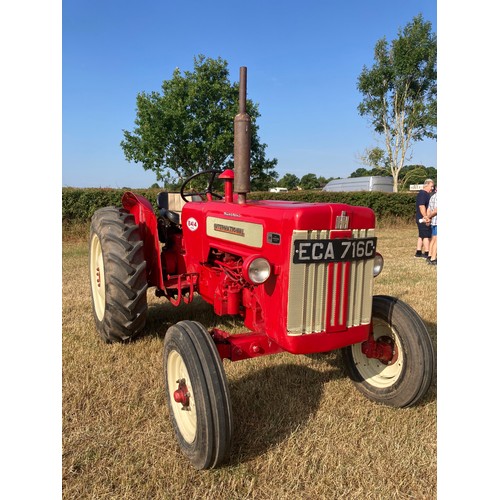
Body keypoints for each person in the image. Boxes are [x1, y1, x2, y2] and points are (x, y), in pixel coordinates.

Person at [414, 179, 435, 258]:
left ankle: (418, 252)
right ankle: (427, 252)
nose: (432, 188)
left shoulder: (425, 194)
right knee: (426, 235)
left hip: (421, 217)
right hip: (422, 218)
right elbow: (421, 206)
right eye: (431, 186)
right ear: (426, 185)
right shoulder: (422, 194)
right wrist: (426, 217)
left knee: (421, 235)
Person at [426, 190, 437, 265]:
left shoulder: (433, 196)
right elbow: (436, 210)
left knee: (433, 239)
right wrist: (429, 217)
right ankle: (433, 259)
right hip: (437, 221)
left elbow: (429, 209)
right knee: (437, 241)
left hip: (434, 222)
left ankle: (429, 256)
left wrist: (428, 218)